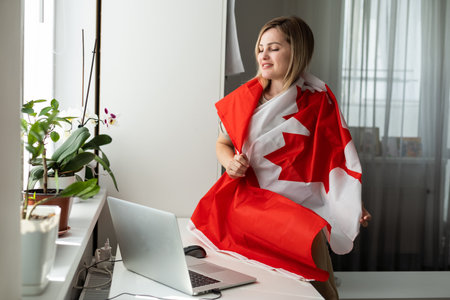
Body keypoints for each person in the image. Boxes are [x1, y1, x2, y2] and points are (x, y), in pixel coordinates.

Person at [191, 16, 371, 300]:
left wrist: (349, 202)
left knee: (315, 290)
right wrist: (229, 163)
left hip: (297, 213)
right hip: (248, 206)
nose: (263, 54)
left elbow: (334, 158)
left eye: (273, 48)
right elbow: (222, 143)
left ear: (296, 51)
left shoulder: (317, 101)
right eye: (261, 48)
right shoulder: (243, 99)